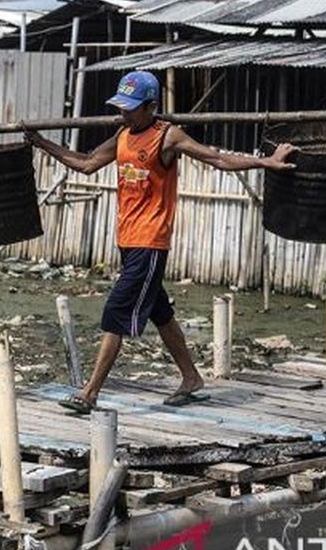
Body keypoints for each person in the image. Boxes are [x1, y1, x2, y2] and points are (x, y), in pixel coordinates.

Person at [24, 70, 296, 410]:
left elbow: (216, 158)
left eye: (132, 108)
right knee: (160, 313)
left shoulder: (167, 137)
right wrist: (41, 142)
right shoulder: (123, 135)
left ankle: (89, 393)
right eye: (121, 107)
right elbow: (88, 163)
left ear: (151, 107)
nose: (124, 113)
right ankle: (191, 377)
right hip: (127, 240)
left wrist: (264, 162)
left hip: (150, 242)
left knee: (115, 312)